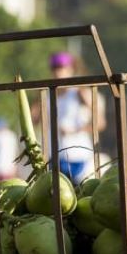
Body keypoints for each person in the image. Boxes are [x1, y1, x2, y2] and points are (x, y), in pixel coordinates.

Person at [46, 51, 103, 183]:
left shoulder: (79, 92)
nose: (57, 72)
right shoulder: (47, 94)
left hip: (78, 156)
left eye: (61, 68)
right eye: (54, 68)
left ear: (70, 69)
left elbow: (100, 122)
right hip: (54, 156)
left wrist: (74, 130)